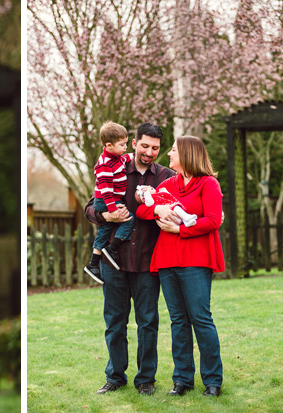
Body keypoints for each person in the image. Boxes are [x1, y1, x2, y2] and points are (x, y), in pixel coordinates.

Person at [84, 122, 175, 396]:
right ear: (134, 143)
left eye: (155, 148)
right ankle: (115, 376)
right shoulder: (115, 167)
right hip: (114, 261)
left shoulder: (167, 176)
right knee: (115, 322)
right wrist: (106, 216)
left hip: (149, 261)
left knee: (148, 322)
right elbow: (91, 208)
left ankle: (146, 378)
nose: (149, 152)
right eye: (144, 146)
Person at [136, 135, 225, 397]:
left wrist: (179, 228)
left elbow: (212, 220)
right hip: (166, 260)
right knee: (178, 321)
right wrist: (157, 212)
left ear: (187, 154)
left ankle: (212, 381)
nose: (168, 155)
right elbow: (142, 209)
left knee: (200, 318)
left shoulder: (209, 184)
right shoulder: (167, 184)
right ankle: (182, 380)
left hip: (195, 260)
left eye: (173, 150)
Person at [84, 121, 136, 284]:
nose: (125, 147)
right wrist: (112, 210)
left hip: (110, 200)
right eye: (122, 144)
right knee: (128, 218)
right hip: (106, 200)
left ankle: (93, 263)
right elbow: (105, 189)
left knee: (104, 230)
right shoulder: (105, 164)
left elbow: (124, 159)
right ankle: (112, 249)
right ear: (109, 145)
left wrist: (135, 155)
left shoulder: (116, 157)